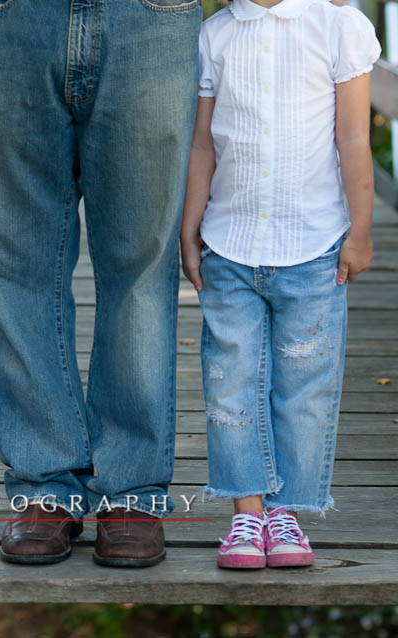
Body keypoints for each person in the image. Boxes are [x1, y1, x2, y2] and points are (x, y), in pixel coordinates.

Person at [0, 0, 203, 567]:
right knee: (14, 262)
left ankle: (132, 490)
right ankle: (45, 483)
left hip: (151, 16)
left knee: (142, 262)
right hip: (11, 15)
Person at [181, 0, 378, 569]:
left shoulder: (338, 27)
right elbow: (203, 144)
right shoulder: (214, 36)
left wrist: (360, 231)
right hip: (230, 244)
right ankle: (247, 512)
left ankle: (286, 510)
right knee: (230, 383)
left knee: (304, 386)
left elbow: (354, 140)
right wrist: (190, 229)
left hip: (313, 247)